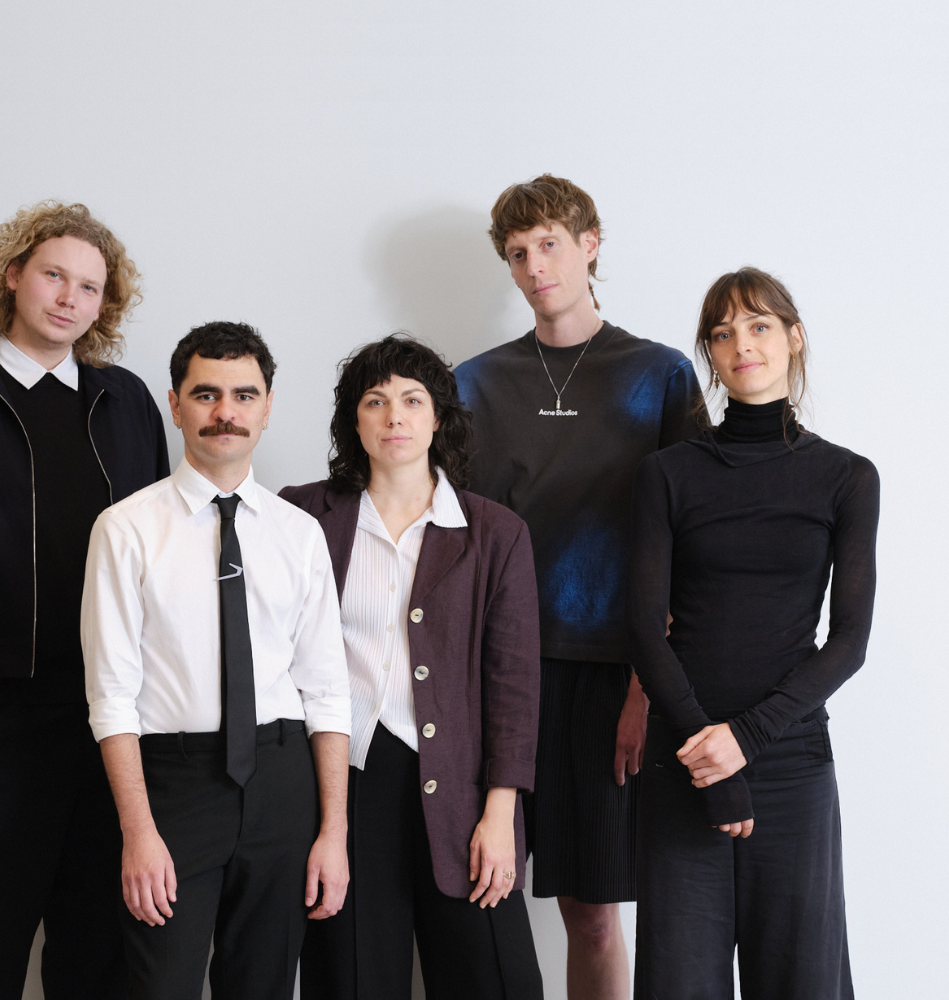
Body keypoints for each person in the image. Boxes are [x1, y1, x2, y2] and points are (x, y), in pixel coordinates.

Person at [0, 201, 168, 999]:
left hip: (109, 718)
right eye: (54, 274)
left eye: (89, 287)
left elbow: (162, 554)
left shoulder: (126, 401)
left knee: (99, 950)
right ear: (13, 275)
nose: (68, 298)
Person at [454, 173, 706, 999]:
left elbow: (690, 543)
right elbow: (449, 539)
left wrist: (646, 684)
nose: (534, 266)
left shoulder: (658, 375)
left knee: (593, 910)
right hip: (499, 668)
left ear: (589, 245)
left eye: (550, 244)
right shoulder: (472, 384)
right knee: (476, 891)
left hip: (613, 671)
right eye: (516, 253)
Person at [627, 268, 877, 999]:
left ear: (794, 338)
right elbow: (642, 630)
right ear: (710, 354)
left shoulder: (847, 477)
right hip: (684, 761)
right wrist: (709, 754)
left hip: (791, 767)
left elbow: (850, 641)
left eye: (759, 325)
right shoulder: (667, 474)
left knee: (802, 981)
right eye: (722, 332)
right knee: (679, 983)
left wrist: (744, 741)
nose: (742, 344)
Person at [82, 322, 352, 1000]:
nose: (225, 412)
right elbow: (111, 697)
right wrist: (137, 831)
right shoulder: (125, 529)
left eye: (243, 395)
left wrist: (333, 832)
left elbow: (326, 692)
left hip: (283, 783)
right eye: (206, 394)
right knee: (160, 987)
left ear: (267, 408)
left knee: (264, 986)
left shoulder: (300, 534)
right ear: (176, 406)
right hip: (173, 788)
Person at [282, 335, 544, 999]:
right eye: (375, 401)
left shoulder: (495, 533)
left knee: (496, 980)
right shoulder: (304, 516)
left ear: (438, 418)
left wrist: (501, 813)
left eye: (411, 400)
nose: (393, 416)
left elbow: (514, 685)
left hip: (463, 791)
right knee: (353, 979)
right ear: (354, 422)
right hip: (345, 785)